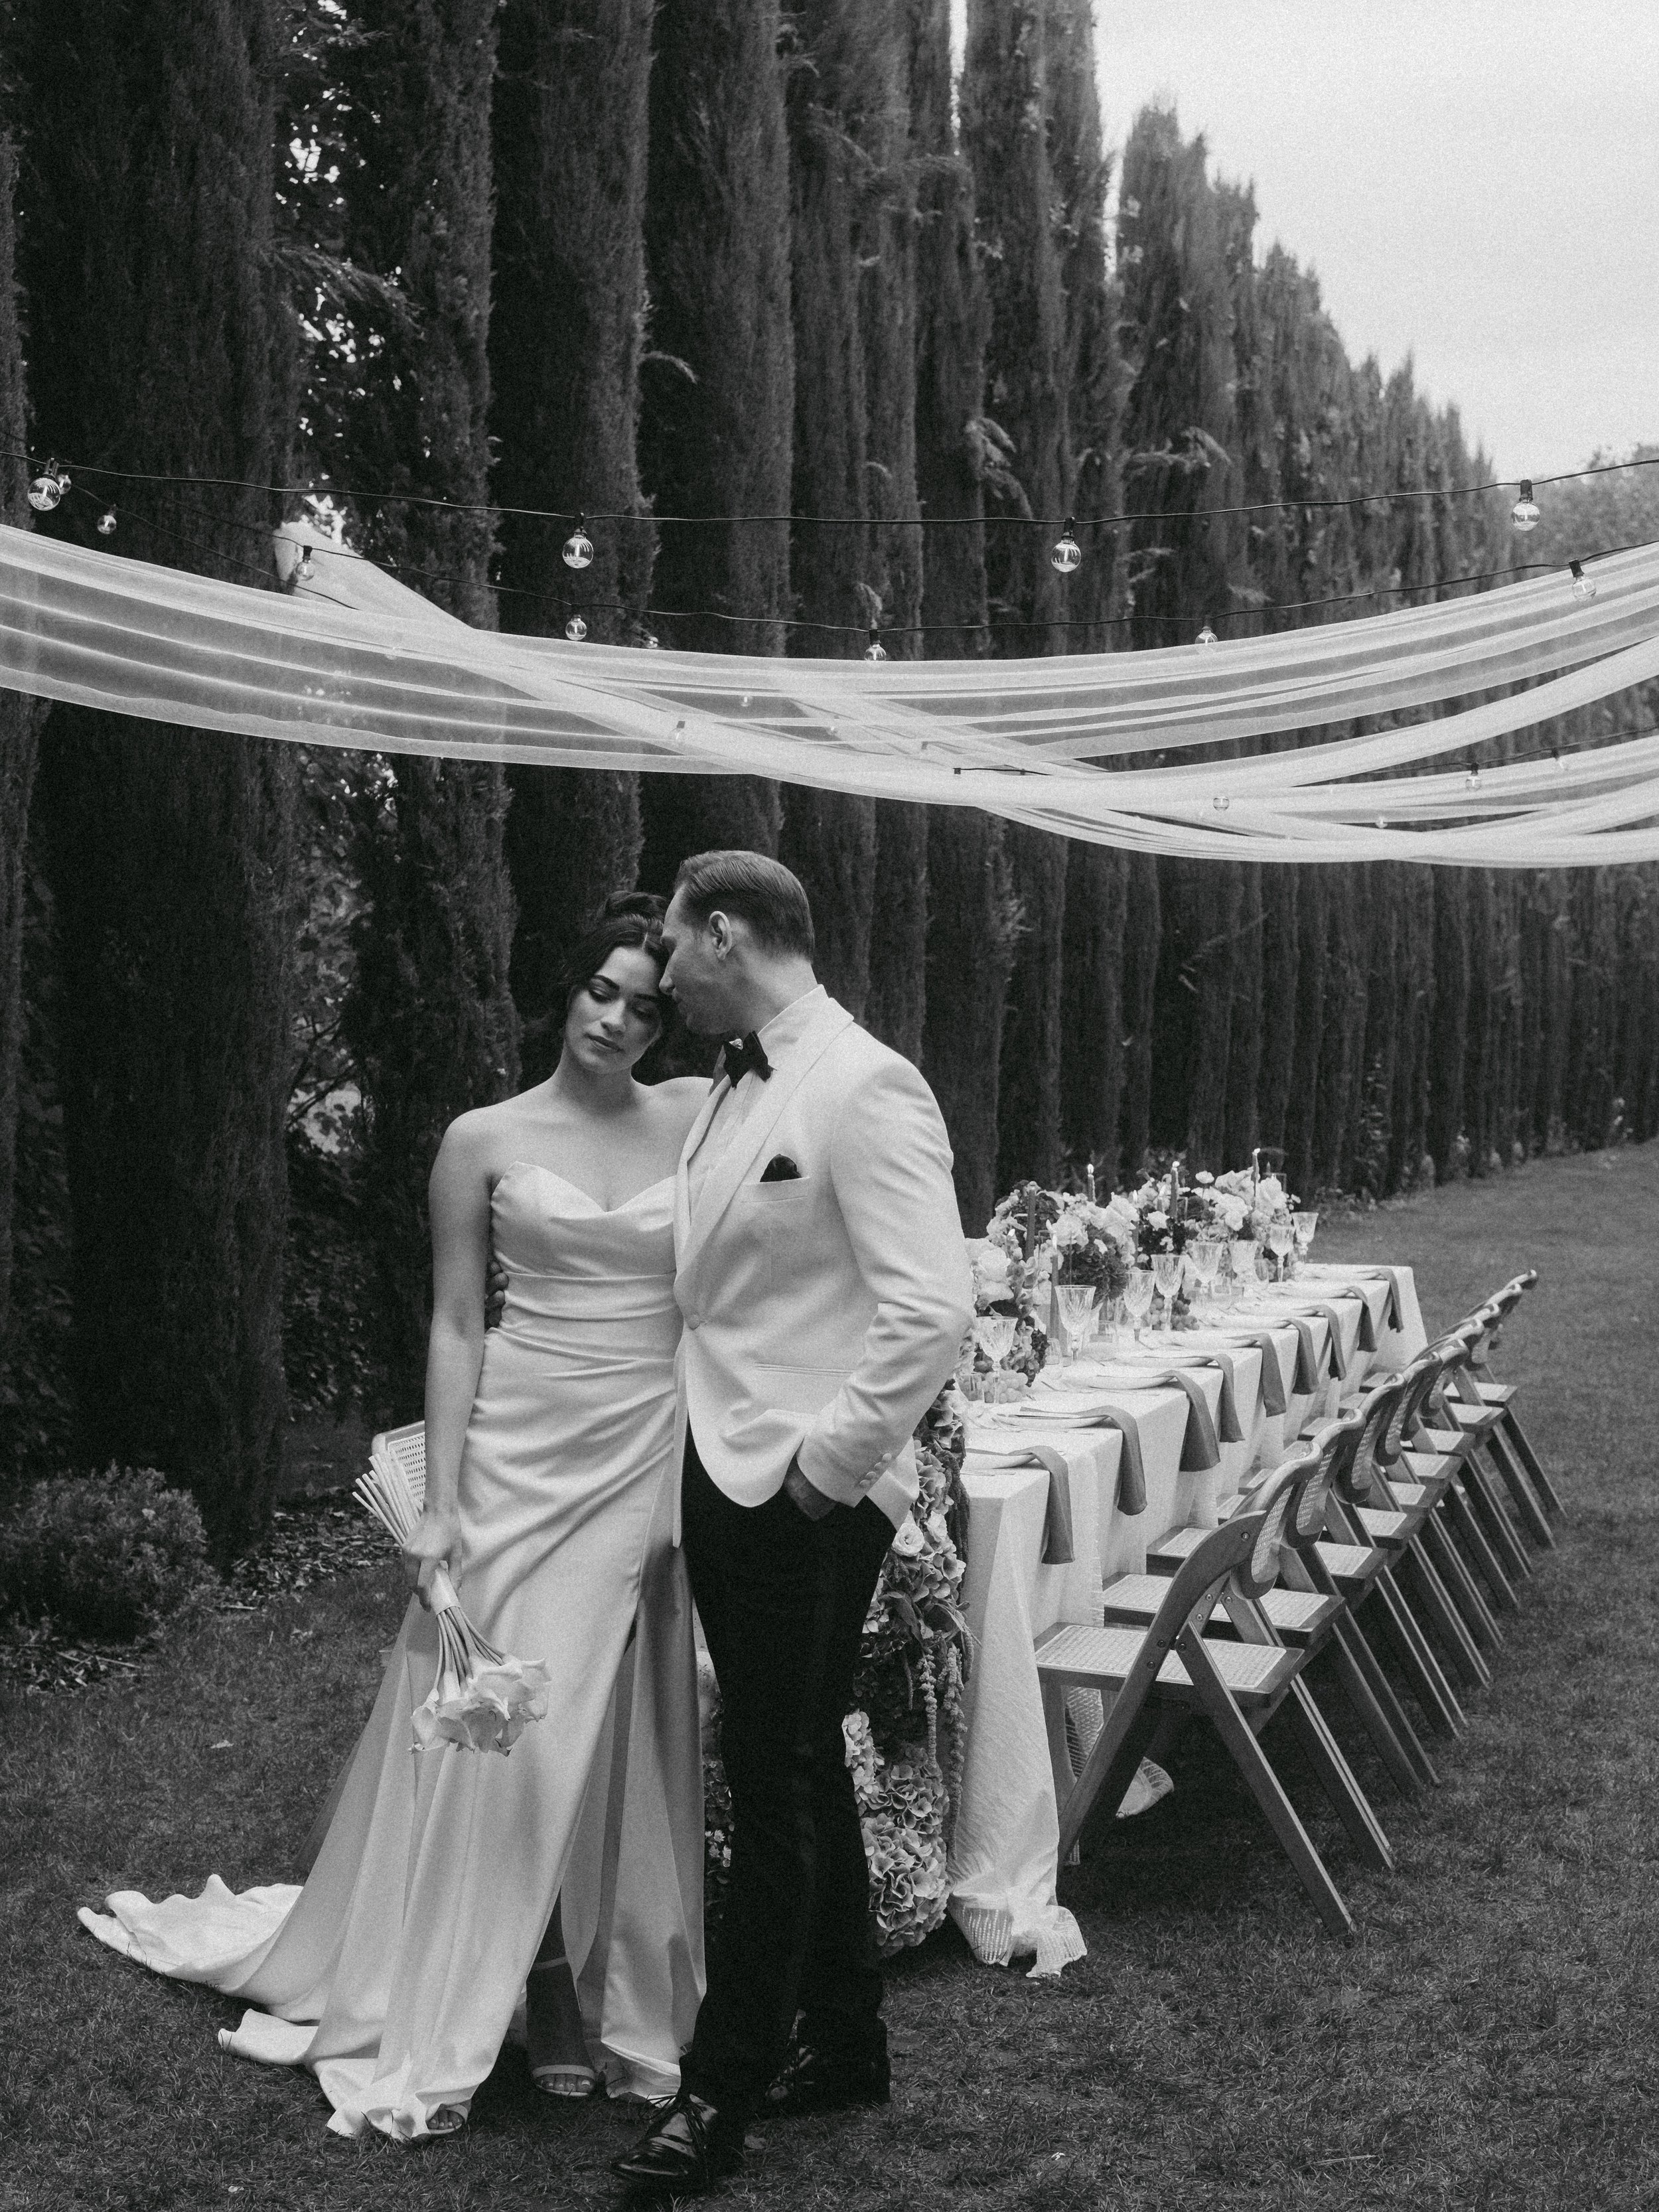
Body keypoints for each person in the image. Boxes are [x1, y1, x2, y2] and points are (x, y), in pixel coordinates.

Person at [79, 895, 711, 2141]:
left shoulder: (698, 1120)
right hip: (522, 1452)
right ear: (565, 988)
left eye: (647, 1004)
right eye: (601, 988)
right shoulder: (482, 1137)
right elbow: (458, 1322)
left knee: (618, 1707)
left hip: (649, 1443)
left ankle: (597, 1977)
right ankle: (512, 1967)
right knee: (505, 1714)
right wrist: (442, 1502)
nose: (617, 1018)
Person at [613, 851, 974, 2195]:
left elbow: (929, 1303)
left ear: (725, 933)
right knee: (802, 1758)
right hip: (722, 1464)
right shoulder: (729, 1083)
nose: (658, 965)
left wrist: (822, 1470)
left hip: (795, 1494)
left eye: (670, 940)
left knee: (764, 1779)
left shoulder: (862, 1079)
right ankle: (848, 2036)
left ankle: (716, 2090)